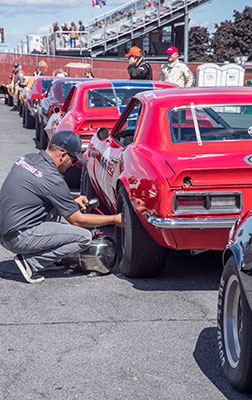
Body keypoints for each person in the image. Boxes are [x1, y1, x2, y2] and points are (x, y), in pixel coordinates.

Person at [0, 131, 124, 284]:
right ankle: (30, 263)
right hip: (19, 236)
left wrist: (74, 198)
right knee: (83, 237)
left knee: (55, 209)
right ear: (63, 154)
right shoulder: (52, 178)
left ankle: (47, 258)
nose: (73, 165)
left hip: (6, 230)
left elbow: (43, 191)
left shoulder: (28, 159)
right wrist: (116, 219)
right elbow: (77, 220)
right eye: (73, 160)